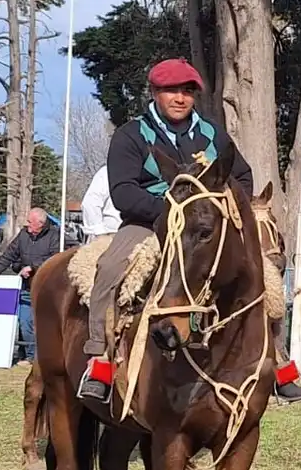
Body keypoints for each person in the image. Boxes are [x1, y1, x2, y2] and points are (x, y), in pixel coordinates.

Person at [78, 57, 271, 403]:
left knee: (265, 273)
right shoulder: (131, 135)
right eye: (170, 90)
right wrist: (170, 213)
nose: (180, 98)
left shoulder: (212, 133)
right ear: (154, 92)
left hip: (205, 228)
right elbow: (122, 191)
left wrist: (216, 210)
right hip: (148, 224)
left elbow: (241, 177)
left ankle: (278, 359)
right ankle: (100, 358)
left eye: (187, 91)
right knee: (110, 269)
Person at [0, 207, 61, 362]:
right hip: (27, 287)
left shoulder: (56, 236)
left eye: (30, 222)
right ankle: (31, 356)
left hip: (47, 288)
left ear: (40, 223)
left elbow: (55, 259)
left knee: (43, 324)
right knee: (25, 321)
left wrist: (33, 267)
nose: (27, 224)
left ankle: (42, 356)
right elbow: (9, 255)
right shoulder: (23, 235)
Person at [79, 165, 123, 238]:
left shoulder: (145, 174)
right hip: (110, 235)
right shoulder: (109, 171)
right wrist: (100, 234)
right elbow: (90, 203)